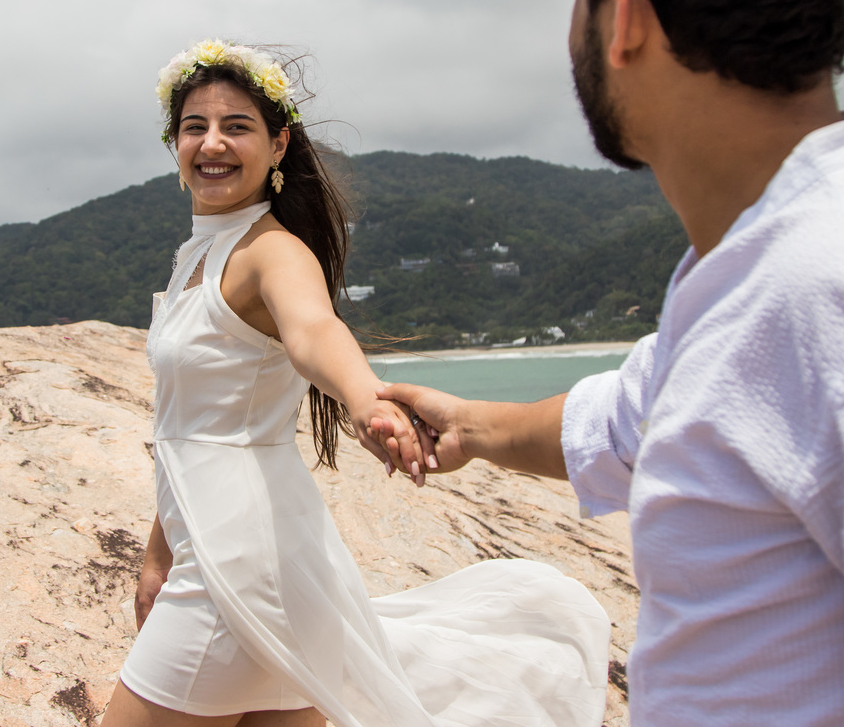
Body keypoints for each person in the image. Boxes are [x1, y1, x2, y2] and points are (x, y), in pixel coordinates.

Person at [376, 0, 844, 725]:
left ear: (622, 16)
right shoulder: (754, 265)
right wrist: (474, 427)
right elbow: (632, 416)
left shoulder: (813, 283)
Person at [98, 39, 612, 727]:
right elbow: (191, 431)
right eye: (196, 126)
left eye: (236, 126)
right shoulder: (199, 254)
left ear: (278, 145)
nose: (212, 143)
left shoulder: (272, 252)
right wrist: (159, 553)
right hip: (261, 557)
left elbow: (315, 330)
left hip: (235, 568)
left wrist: (366, 398)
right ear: (175, 142)